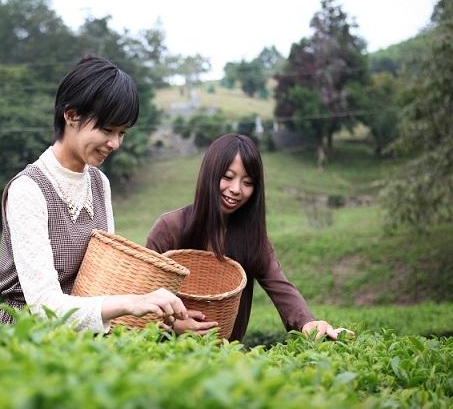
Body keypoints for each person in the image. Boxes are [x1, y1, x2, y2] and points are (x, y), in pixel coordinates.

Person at [0, 55, 187, 332]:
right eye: (108, 130)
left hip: (81, 337)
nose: (115, 143)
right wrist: (130, 303)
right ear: (71, 115)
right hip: (28, 338)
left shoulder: (99, 182)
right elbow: (43, 307)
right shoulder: (28, 189)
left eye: (122, 133)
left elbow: (104, 282)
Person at [146, 133, 349, 341]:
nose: (236, 190)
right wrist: (172, 325)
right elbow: (141, 297)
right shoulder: (170, 228)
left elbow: (281, 288)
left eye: (247, 182)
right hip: (166, 356)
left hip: (227, 359)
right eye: (228, 177)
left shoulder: (252, 238)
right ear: (210, 174)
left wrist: (308, 323)